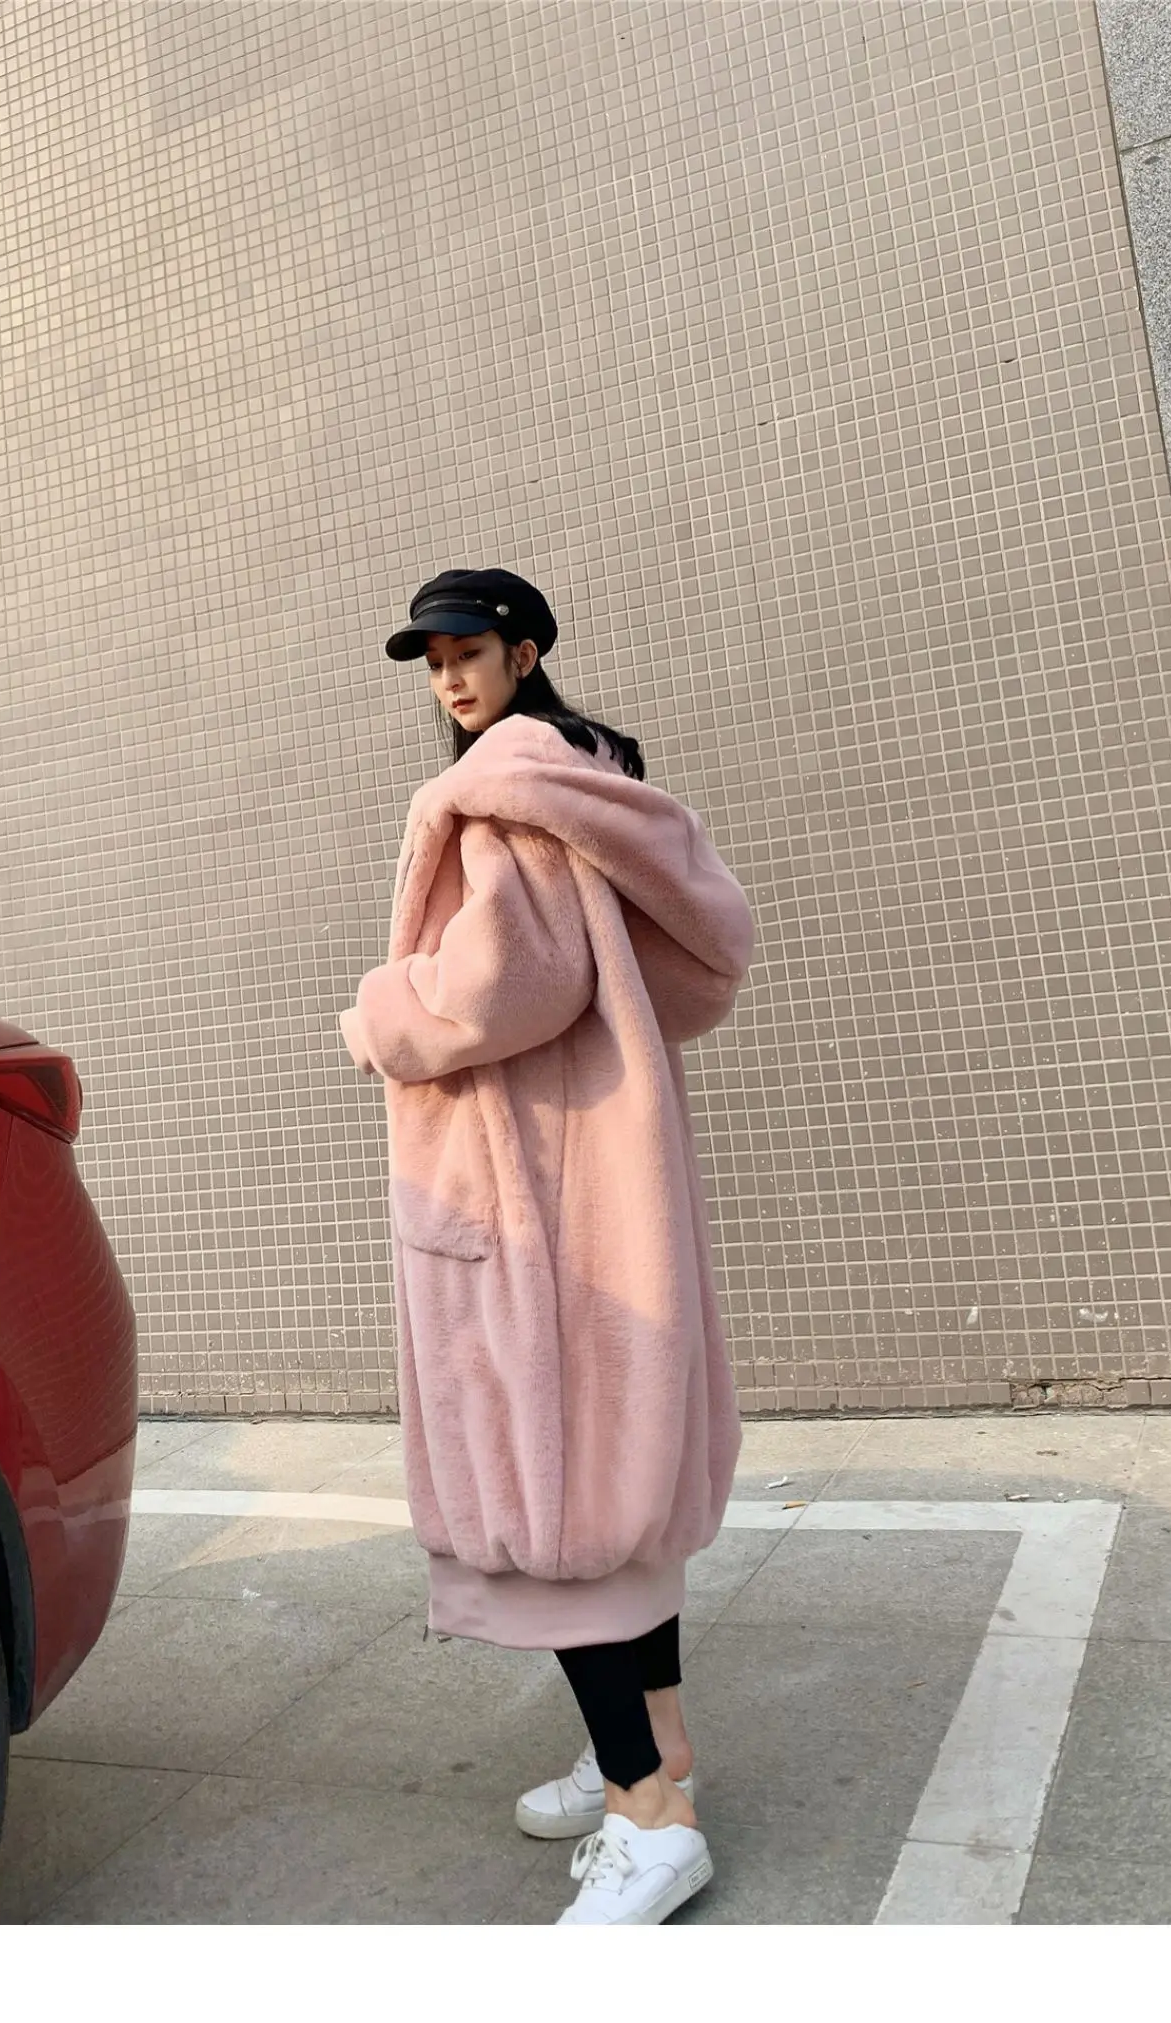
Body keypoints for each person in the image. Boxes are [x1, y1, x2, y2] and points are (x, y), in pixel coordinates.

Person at [339, 568, 754, 1925]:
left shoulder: (500, 790)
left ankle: (651, 1819)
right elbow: (670, 975)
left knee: (555, 1507)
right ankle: (657, 1750)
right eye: (433, 660)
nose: (450, 678)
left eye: (468, 651)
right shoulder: (597, 783)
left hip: (529, 1192)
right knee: (614, 1483)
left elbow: (499, 988)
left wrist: (377, 1011)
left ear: (526, 653)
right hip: (604, 1175)